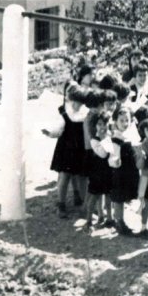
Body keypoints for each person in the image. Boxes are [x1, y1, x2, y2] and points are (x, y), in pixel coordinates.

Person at [44, 82, 90, 218]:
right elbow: (58, 129)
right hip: (66, 149)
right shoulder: (65, 114)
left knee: (82, 176)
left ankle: (84, 203)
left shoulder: (85, 115)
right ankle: (61, 203)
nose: (77, 105)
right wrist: (50, 133)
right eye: (75, 102)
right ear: (70, 100)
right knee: (64, 176)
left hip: (80, 149)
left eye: (80, 103)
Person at [108, 107, 140, 236]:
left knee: (125, 194)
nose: (125, 123)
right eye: (121, 120)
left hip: (129, 169)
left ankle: (121, 220)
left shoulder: (131, 134)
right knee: (119, 197)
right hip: (119, 171)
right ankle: (119, 221)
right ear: (115, 121)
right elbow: (113, 155)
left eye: (127, 120)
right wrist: (115, 161)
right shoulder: (116, 137)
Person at [85, 110, 117, 232]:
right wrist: (106, 139)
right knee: (95, 196)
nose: (103, 127)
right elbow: (103, 154)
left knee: (108, 195)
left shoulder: (109, 136)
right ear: (94, 126)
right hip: (97, 173)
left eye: (105, 124)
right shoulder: (94, 140)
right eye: (99, 124)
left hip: (108, 171)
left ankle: (109, 217)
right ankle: (89, 220)